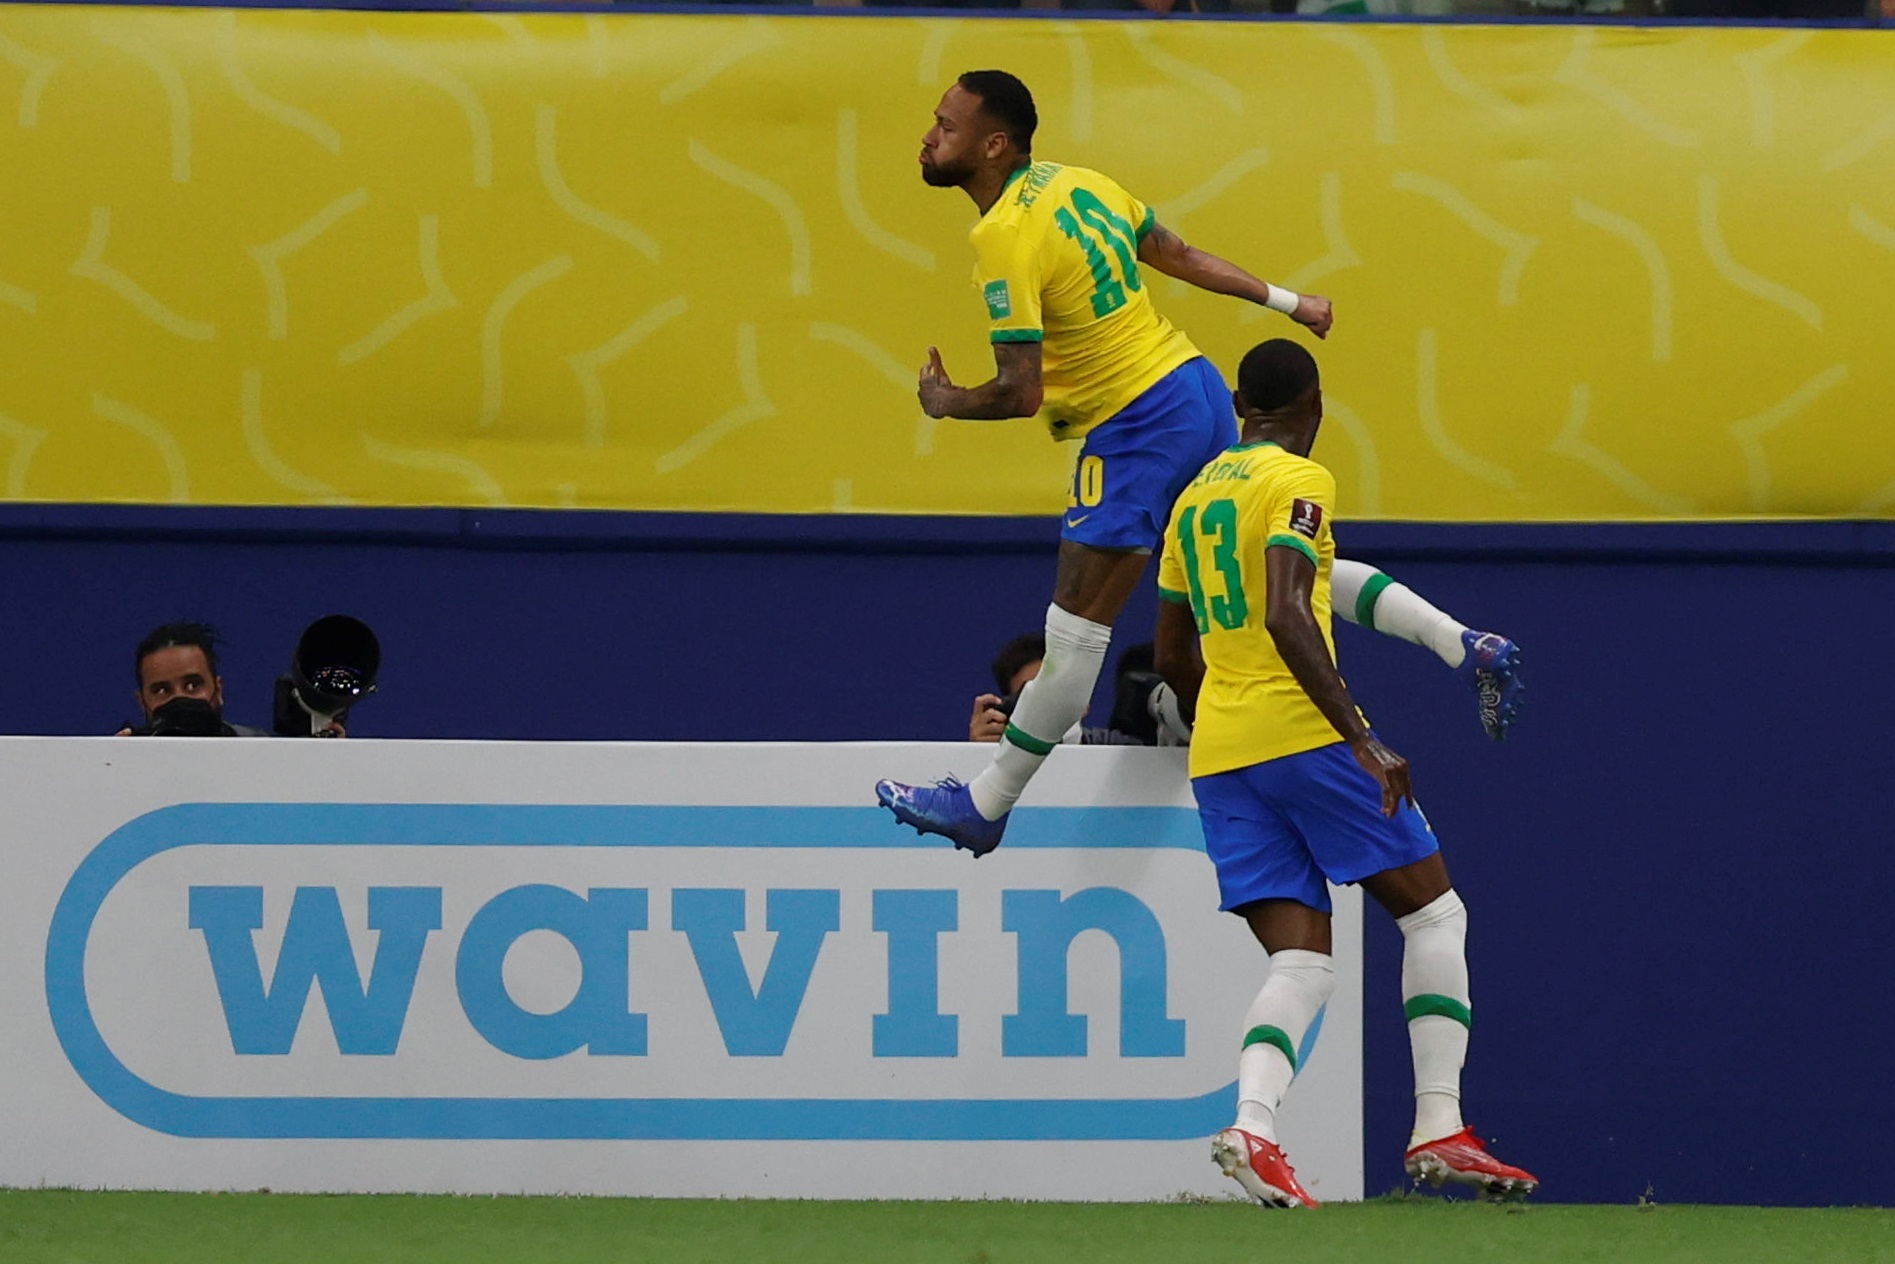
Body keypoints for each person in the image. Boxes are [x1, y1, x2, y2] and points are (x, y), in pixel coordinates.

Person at [876, 69, 1342, 855]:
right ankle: (1433, 647)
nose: (927, 137)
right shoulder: (1076, 182)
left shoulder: (999, 238)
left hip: (1133, 427)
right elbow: (1179, 254)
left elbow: (1019, 393)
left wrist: (945, 400)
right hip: (1194, 388)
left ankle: (986, 805)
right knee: (1256, 572)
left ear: (994, 146)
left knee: (1074, 633)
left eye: (945, 127)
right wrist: (1292, 303)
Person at [1150, 339, 1535, 1207]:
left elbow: (1173, 652)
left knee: (1301, 965)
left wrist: (1233, 716)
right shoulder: (1299, 481)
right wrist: (1360, 737)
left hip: (1221, 753)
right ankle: (1439, 1125)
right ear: (1311, 403)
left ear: (1240, 405)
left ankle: (1251, 1126)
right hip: (1303, 737)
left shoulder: (1191, 501)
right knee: (1435, 912)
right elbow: (1292, 612)